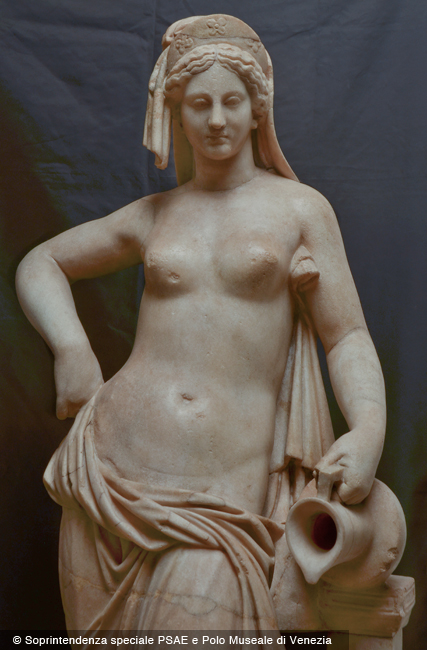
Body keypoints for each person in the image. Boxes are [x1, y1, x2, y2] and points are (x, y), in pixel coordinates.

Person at [15, 15, 385, 634]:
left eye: (232, 102)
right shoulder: (155, 214)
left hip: (219, 494)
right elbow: (40, 263)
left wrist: (369, 428)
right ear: (176, 113)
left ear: (258, 109)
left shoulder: (300, 210)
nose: (216, 119)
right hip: (106, 473)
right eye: (198, 104)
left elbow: (346, 336)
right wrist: (72, 349)